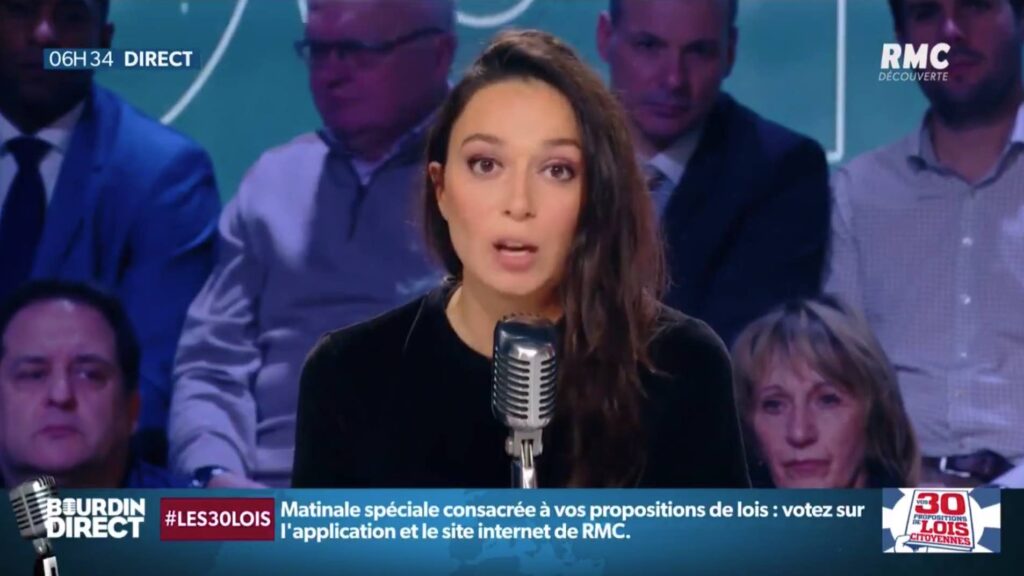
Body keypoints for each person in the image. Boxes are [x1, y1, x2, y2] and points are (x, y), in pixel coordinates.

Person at [291, 29, 750, 489]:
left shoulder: (682, 366)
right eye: (486, 165)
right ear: (441, 187)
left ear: (594, 196)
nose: (518, 203)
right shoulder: (348, 376)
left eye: (557, 170)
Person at [169, 0, 456, 488]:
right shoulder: (272, 183)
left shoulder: (496, 183)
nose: (331, 75)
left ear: (438, 55)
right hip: (268, 492)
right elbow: (212, 363)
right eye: (319, 51)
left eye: (358, 51)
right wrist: (214, 473)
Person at [0, 0, 221, 465]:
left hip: (78, 479)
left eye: (70, 17)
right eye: (21, 10)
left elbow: (148, 386)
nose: (44, 35)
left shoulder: (164, 175)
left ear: (103, 42)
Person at [829, 0, 1024, 486]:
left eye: (975, 5)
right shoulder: (858, 193)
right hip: (900, 493)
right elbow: (836, 377)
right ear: (902, 42)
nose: (951, 31)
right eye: (925, 13)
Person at [596, 0, 831, 346]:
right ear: (605, 37)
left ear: (730, 52)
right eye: (649, 46)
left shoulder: (781, 172)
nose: (674, 79)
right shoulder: (553, 156)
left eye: (699, 52)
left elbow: (743, 352)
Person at [0, 280, 188, 489]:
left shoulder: (195, 509)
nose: (61, 394)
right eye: (33, 375)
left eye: (89, 375)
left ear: (132, 410)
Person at [732, 297, 920, 488]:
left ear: (874, 418)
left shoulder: (922, 507)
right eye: (774, 405)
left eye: (828, 400)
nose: (799, 433)